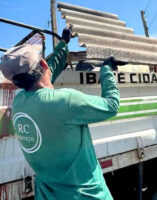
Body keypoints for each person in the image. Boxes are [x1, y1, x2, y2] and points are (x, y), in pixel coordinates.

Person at [0, 28, 126, 199]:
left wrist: (63, 44)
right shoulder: (65, 101)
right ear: (43, 64)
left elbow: (43, 77)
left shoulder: (19, 102)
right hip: (87, 195)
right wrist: (106, 70)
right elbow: (111, 105)